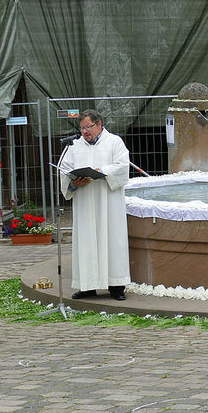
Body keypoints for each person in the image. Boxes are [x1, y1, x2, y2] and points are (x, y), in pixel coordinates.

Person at [58, 109, 131, 300]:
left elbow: (123, 166)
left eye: (88, 127)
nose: (84, 132)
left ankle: (116, 287)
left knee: (112, 240)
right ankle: (87, 286)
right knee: (86, 241)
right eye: (81, 128)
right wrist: (74, 183)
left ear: (99, 124)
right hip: (85, 202)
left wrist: (101, 170)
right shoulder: (74, 147)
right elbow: (64, 170)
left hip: (109, 201)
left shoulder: (114, 142)